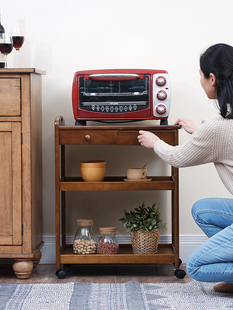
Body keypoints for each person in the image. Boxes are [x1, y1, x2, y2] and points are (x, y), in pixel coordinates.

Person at [137, 43, 233, 293]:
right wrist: (198, 131)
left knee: (198, 266)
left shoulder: (218, 127)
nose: (200, 81)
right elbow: (225, 140)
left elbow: (178, 157)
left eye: (201, 76)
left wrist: (155, 142)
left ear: (212, 78)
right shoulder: (221, 125)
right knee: (203, 210)